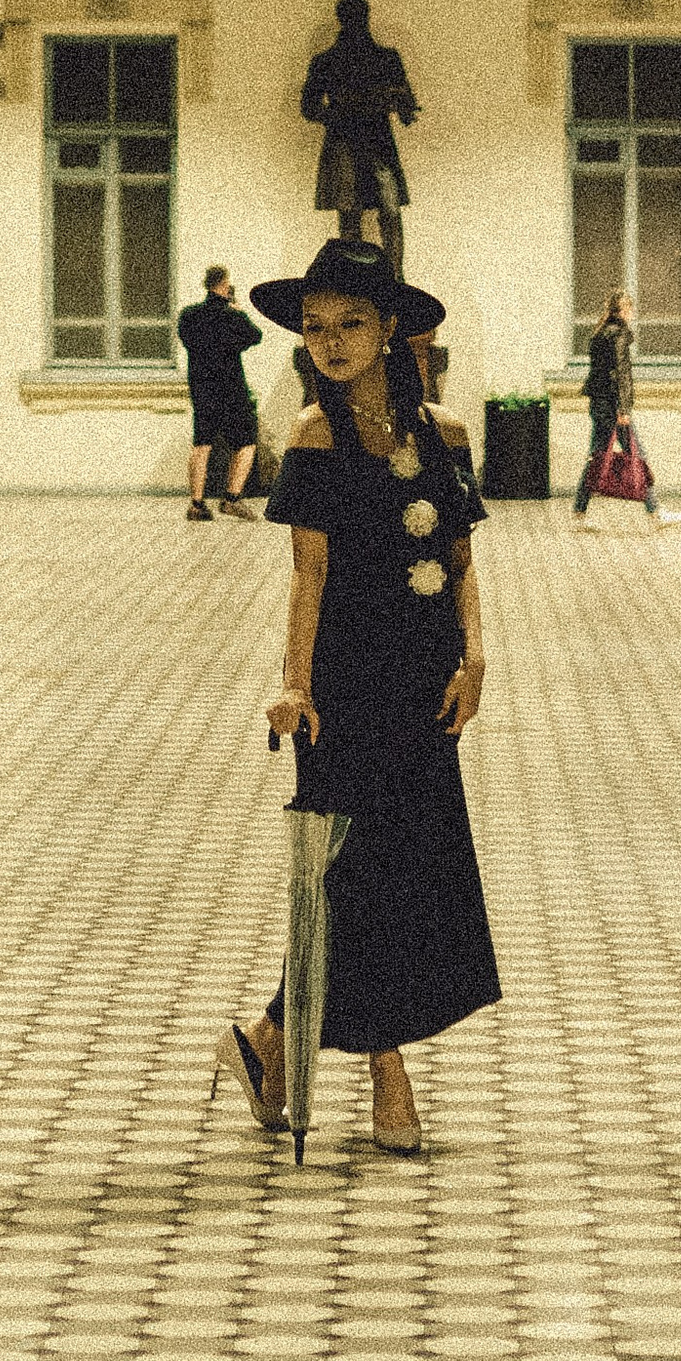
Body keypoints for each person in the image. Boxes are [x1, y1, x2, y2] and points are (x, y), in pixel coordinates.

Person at [216, 239, 499, 1155]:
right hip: (345, 685)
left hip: (425, 681)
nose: (330, 343)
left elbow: (460, 560)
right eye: (315, 328)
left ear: (389, 333)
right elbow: (308, 574)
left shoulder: (447, 434)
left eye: (350, 325)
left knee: (406, 870)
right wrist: (293, 685)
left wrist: (477, 657)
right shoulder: (313, 436)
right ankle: (387, 1073)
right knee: (356, 874)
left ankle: (268, 1041)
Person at [299, 0, 420, 269]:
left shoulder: (383, 58)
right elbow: (309, 107)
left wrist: (397, 104)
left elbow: (405, 104)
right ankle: (362, 279)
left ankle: (391, 277)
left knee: (382, 214)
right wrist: (347, 110)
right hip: (352, 142)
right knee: (356, 215)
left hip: (372, 142)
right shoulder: (328, 61)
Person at [573, 286, 681, 528]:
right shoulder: (618, 335)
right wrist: (623, 409)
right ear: (622, 311)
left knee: (596, 457)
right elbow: (621, 374)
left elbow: (599, 374)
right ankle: (656, 512)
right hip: (613, 409)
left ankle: (579, 511)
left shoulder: (599, 333)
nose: (632, 313)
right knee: (637, 455)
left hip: (600, 405)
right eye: (630, 308)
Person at [177, 265, 264, 521]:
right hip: (231, 389)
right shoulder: (231, 316)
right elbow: (255, 336)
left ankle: (196, 503)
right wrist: (236, 311)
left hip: (202, 388)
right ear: (225, 285)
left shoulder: (188, 316)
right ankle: (232, 498)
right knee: (246, 443)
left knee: (201, 443)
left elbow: (187, 340)